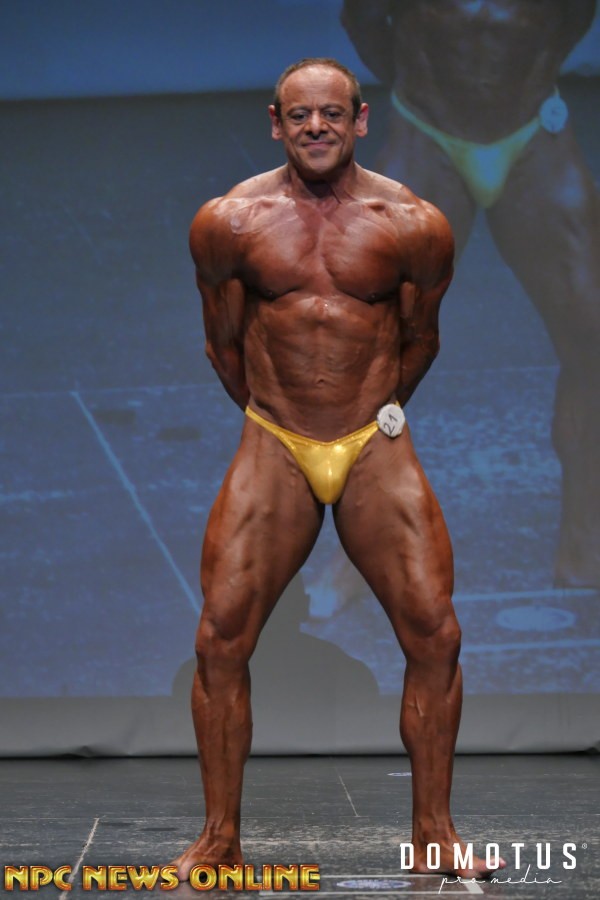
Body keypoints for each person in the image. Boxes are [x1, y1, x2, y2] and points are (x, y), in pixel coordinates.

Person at [172, 58, 505, 880]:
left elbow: (421, 339)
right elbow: (222, 343)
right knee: (219, 638)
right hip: (275, 437)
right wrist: (278, 420)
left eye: (331, 113)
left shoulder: (415, 224)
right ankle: (219, 840)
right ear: (275, 124)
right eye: (299, 115)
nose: (315, 127)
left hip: (372, 439)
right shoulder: (228, 223)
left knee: (437, 633)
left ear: (360, 120)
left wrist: (372, 416)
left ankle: (434, 833)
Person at [341, 0, 600, 589]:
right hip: (427, 136)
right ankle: (358, 547)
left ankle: (586, 536)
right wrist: (426, 91)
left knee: (593, 337)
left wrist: (516, 84)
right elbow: (362, 19)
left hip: (532, 136)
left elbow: (573, 17)